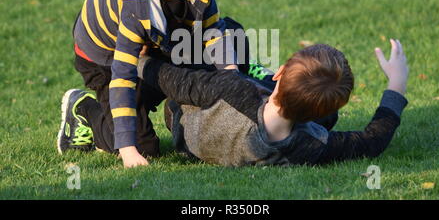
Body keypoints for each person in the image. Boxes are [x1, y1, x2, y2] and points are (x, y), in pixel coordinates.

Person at [57, 0, 254, 168]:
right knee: (143, 147)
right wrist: (128, 152)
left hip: (154, 43)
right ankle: (84, 111)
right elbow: (122, 78)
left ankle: (171, 100)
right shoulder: (134, 6)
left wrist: (231, 79)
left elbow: (213, 30)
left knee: (233, 38)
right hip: (105, 62)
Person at [137, 39, 409, 166]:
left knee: (229, 34)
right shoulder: (311, 145)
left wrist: (140, 58)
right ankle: (256, 75)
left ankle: (256, 74)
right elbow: (373, 141)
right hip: (214, 133)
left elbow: (172, 80)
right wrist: (396, 82)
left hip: (181, 122)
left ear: (280, 71)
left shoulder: (232, 89)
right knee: (326, 119)